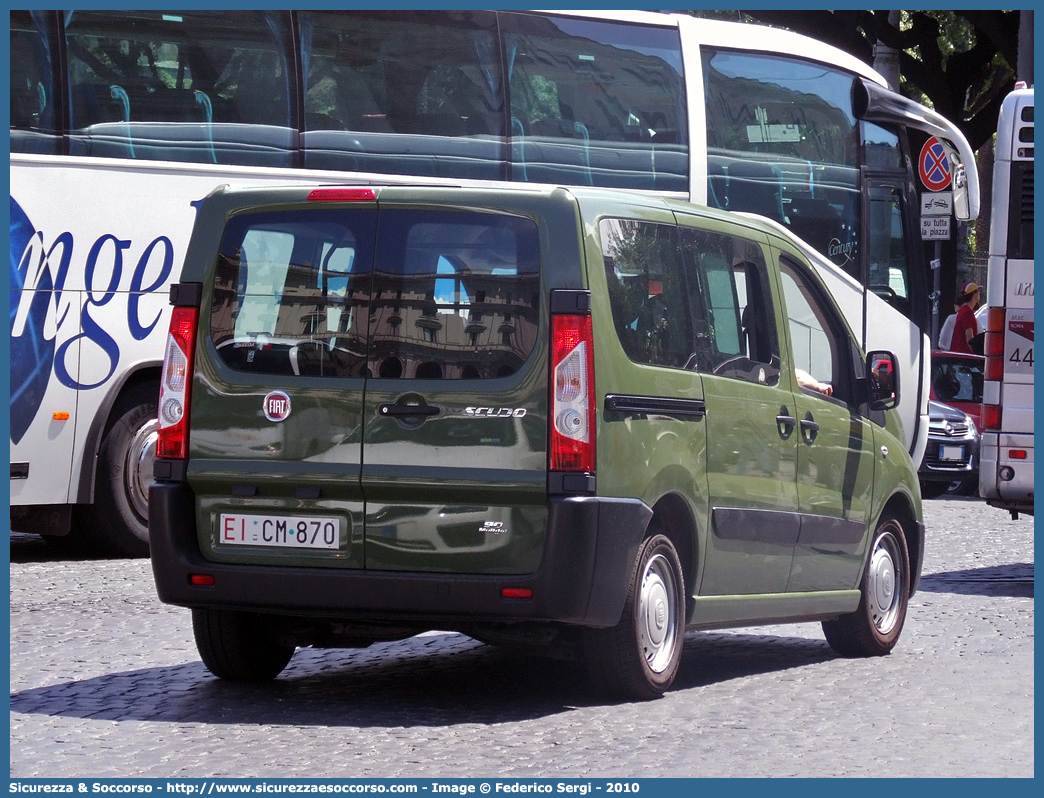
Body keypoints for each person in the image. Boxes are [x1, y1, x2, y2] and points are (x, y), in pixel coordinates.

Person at [948, 281, 981, 354]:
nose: (979, 293)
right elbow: (969, 339)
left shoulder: (964, 310)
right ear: (973, 293)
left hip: (960, 354)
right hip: (965, 355)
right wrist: (976, 354)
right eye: (978, 291)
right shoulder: (967, 312)